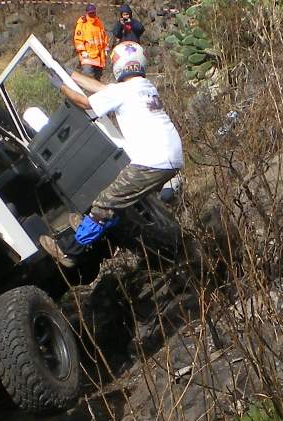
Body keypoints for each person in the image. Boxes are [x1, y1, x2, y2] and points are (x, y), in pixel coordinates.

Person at [39, 41, 184, 267]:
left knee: (105, 203)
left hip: (152, 162)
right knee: (121, 205)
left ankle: (70, 251)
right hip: (171, 157)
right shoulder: (144, 86)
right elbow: (104, 90)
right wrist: (69, 74)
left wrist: (62, 87)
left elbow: (84, 102)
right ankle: (172, 246)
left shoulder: (122, 91)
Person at [73, 3, 109, 81]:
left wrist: (105, 48)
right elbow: (78, 39)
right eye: (90, 13)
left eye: (93, 12)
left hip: (99, 56)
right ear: (87, 13)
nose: (92, 14)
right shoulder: (82, 24)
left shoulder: (98, 22)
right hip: (87, 56)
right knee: (87, 77)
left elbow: (103, 36)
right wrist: (82, 51)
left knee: (97, 79)